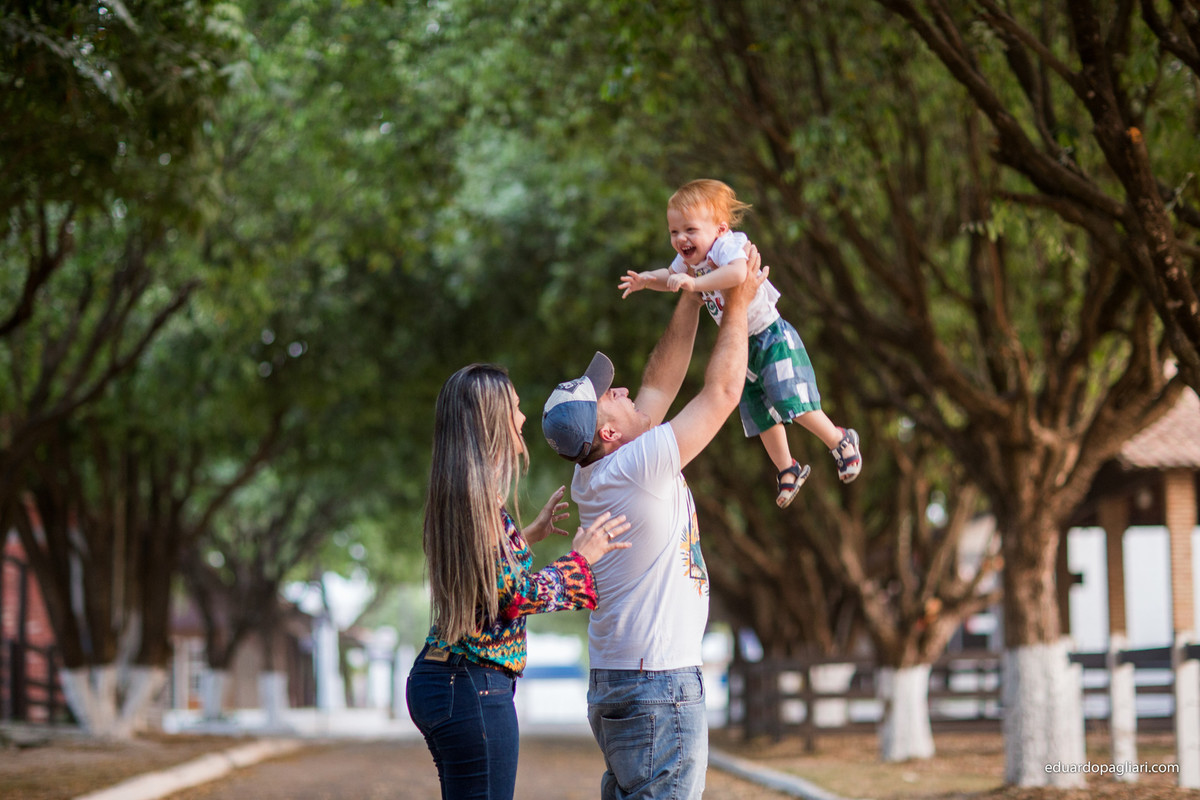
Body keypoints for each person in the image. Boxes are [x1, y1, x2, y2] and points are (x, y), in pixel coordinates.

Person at [541, 247, 766, 799]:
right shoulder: (635, 468)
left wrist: (690, 291)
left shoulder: (602, 469)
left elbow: (660, 385)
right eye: (608, 397)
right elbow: (722, 393)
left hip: (628, 681)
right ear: (609, 434)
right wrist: (737, 306)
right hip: (656, 686)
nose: (620, 390)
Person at [407, 363, 631, 800]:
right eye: (514, 407)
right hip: (472, 681)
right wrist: (579, 561)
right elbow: (513, 595)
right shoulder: (475, 497)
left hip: (446, 677)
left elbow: (482, 577)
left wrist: (527, 536)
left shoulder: (459, 490)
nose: (523, 418)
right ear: (490, 419)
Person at [618, 178, 862, 508]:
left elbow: (737, 275)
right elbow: (670, 276)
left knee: (790, 398)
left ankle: (839, 439)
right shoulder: (691, 262)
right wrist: (648, 280)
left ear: (718, 228)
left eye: (689, 229)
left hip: (770, 335)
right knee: (759, 412)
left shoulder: (726, 246)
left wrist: (694, 283)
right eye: (674, 232)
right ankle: (786, 466)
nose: (680, 239)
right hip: (742, 346)